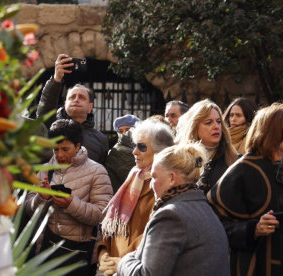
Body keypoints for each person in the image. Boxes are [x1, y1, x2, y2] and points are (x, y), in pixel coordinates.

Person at [208, 103, 283, 276]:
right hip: (258, 268)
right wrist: (254, 229)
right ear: (272, 131)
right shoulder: (243, 170)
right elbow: (213, 226)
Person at [117, 142, 229, 276]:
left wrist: (123, 262)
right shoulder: (203, 207)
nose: (151, 185)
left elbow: (149, 274)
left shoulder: (171, 216)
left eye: (154, 177)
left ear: (171, 178)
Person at [25, 119, 113, 275]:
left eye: (65, 149)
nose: (60, 155)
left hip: (79, 254)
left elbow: (103, 214)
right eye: (55, 149)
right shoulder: (46, 170)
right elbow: (29, 210)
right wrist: (42, 198)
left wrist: (71, 204)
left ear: (78, 146)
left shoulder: (97, 171)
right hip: (48, 251)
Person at [98, 120, 174, 276]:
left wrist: (122, 262)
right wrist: (103, 253)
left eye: (142, 147)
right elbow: (112, 222)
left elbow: (156, 236)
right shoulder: (133, 176)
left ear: (160, 151)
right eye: (134, 145)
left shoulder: (168, 185)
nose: (134, 152)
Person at [36, 54, 109, 164]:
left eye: (82, 97)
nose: (76, 100)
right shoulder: (51, 126)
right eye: (72, 97)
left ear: (90, 107)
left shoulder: (100, 139)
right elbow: (45, 109)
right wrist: (56, 79)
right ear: (65, 105)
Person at [175, 99, 238, 194]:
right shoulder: (179, 158)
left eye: (218, 121)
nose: (216, 126)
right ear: (194, 127)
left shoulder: (236, 159)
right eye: (209, 122)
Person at [105, 114, 140, 193]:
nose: (124, 133)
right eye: (120, 131)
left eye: (128, 130)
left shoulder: (132, 147)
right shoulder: (122, 151)